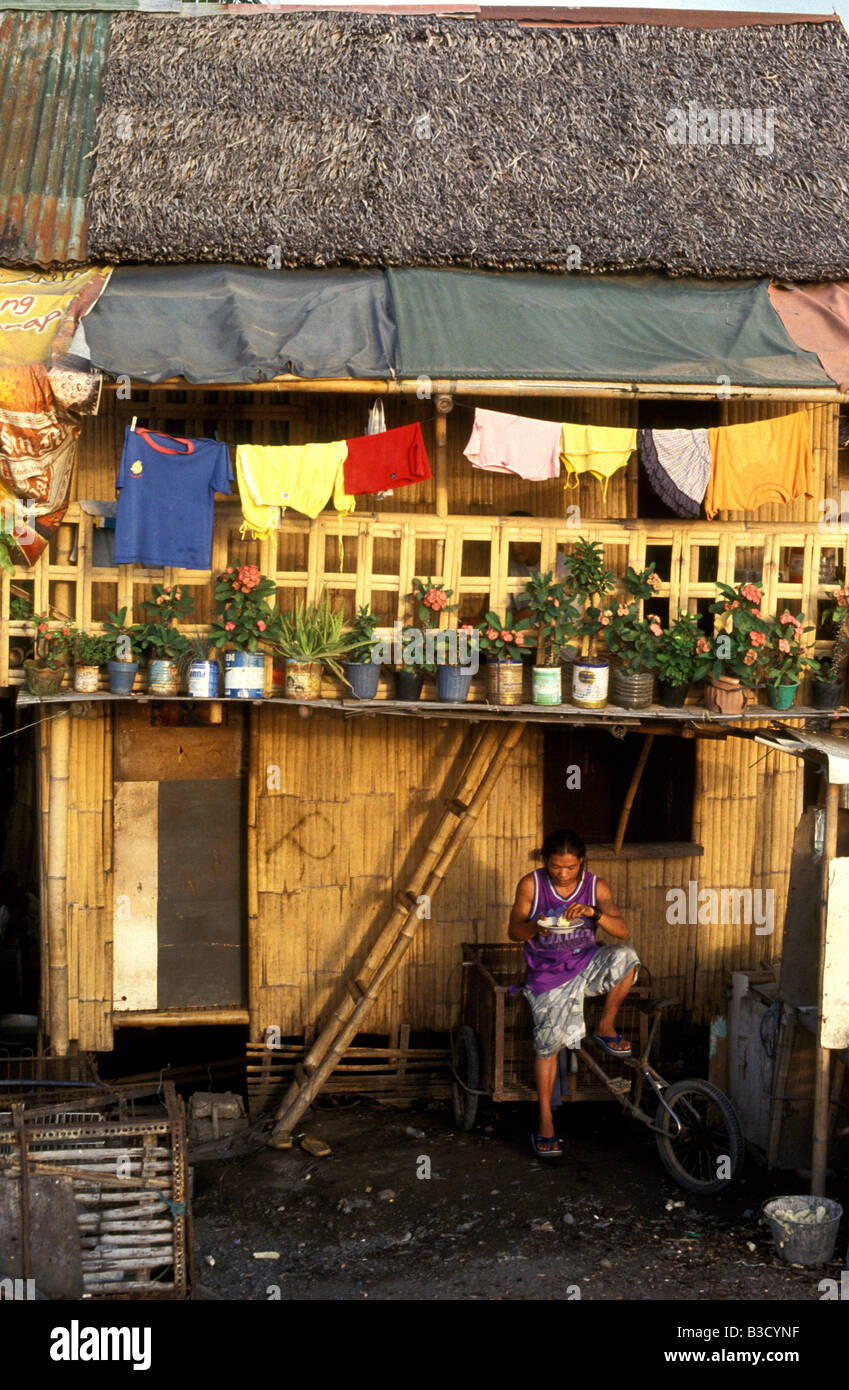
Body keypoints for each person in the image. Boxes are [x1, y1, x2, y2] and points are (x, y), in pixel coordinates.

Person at [508, 827, 640, 1158]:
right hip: (548, 975)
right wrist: (536, 926)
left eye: (570, 867)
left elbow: (622, 931)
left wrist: (594, 912)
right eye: (555, 866)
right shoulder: (531, 884)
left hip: (587, 963)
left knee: (627, 958)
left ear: (581, 861)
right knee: (548, 1046)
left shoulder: (596, 886)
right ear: (545, 861)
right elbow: (513, 931)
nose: (563, 874)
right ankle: (546, 1120)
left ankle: (605, 1027)